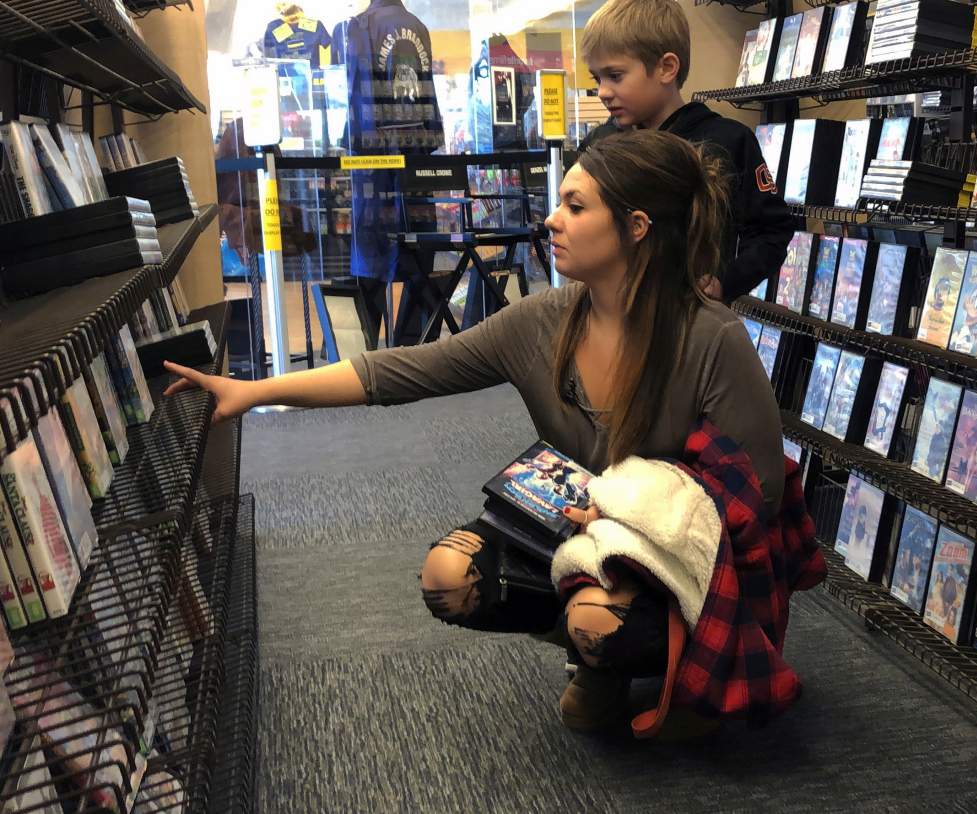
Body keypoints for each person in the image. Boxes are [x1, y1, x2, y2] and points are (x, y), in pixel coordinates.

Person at [164, 129, 785, 733]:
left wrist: (633, 519)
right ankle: (596, 647)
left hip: (671, 557)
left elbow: (758, 494)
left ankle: (662, 673)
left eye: (575, 206)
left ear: (637, 227)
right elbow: (401, 371)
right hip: (570, 533)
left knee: (600, 622)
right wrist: (253, 393)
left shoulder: (711, 338)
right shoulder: (544, 321)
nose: (551, 221)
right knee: (449, 581)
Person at [578, 0, 794, 303]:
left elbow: (771, 231)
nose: (603, 92)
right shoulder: (601, 145)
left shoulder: (728, 141)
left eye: (615, 75)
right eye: (597, 79)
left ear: (666, 68)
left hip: (689, 323)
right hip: (610, 314)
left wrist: (725, 281)